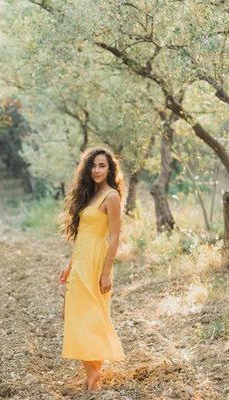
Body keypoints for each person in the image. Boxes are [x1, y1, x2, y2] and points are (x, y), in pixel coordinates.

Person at [57, 147, 126, 391]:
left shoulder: (111, 197)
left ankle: (94, 375)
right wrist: (70, 264)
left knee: (90, 315)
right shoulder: (89, 195)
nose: (97, 170)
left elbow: (115, 237)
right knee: (77, 315)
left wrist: (106, 272)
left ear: (110, 169)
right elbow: (82, 236)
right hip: (81, 260)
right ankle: (93, 374)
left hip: (97, 262)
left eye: (102, 166)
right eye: (93, 166)